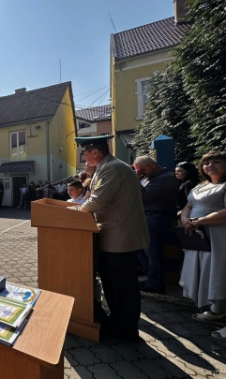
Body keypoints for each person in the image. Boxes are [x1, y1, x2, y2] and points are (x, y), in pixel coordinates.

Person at [71, 135, 150, 342]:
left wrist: (73, 214)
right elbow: (91, 198)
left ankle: (126, 330)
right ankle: (119, 324)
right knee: (113, 283)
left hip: (119, 236)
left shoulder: (112, 168)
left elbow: (96, 201)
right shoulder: (106, 168)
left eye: (84, 153)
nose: (84, 157)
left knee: (122, 285)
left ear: (95, 152)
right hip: (113, 235)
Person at [179, 151, 226, 341]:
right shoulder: (200, 186)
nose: (210, 166)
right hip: (196, 232)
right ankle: (206, 303)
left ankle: (218, 308)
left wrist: (201, 220)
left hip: (217, 233)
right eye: (207, 163)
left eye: (217, 162)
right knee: (199, 266)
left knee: (215, 268)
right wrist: (185, 220)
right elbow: (188, 207)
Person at [133, 155, 180, 294]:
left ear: (152, 165)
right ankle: (151, 278)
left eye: (142, 169)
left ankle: (155, 284)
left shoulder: (166, 179)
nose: (140, 173)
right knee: (140, 250)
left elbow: (142, 196)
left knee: (152, 252)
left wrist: (136, 181)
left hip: (156, 217)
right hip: (145, 217)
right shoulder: (148, 178)